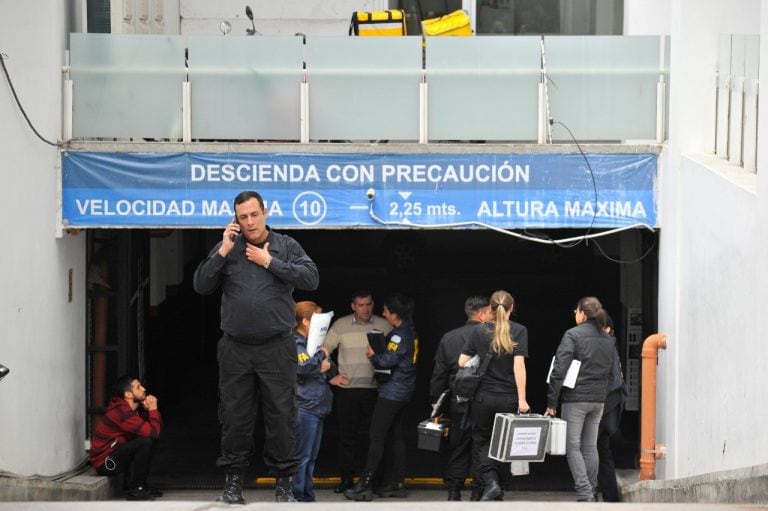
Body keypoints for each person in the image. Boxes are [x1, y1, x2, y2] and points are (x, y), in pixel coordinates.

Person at [193, 190, 320, 504]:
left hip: (276, 347)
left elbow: (311, 279)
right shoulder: (228, 248)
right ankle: (234, 483)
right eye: (242, 217)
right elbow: (201, 284)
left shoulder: (286, 246)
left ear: (265, 211)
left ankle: (284, 486)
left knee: (282, 416)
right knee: (235, 417)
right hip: (236, 348)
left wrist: (270, 261)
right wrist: (222, 251)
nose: (249, 222)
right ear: (235, 218)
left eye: (253, 214)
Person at [344, 292, 418, 501]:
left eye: (385, 310)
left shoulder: (398, 335)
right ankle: (397, 483)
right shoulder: (410, 331)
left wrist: (373, 356)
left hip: (392, 393)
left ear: (394, 314)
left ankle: (364, 485)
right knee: (396, 436)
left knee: (376, 436)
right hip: (405, 391)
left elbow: (387, 361)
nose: (383, 313)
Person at [459, 290, 529, 502]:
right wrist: (522, 399)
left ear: (490, 309)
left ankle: (490, 482)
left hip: (483, 398)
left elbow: (461, 362)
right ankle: (495, 485)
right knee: (502, 443)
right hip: (508, 398)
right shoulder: (519, 330)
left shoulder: (478, 331)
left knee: (482, 441)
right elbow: (519, 367)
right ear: (512, 309)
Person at [545, 296, 615, 503]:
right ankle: (591, 491)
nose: (574, 314)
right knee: (590, 447)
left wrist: (551, 402)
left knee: (573, 446)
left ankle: (585, 494)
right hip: (598, 399)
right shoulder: (607, 338)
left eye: (575, 311)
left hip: (575, 399)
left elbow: (559, 370)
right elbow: (611, 374)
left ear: (582, 314)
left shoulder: (572, 335)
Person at [323, 290, 392, 493]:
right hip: (348, 390)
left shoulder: (384, 325)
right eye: (360, 305)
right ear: (353, 306)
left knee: (374, 437)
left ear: (373, 304)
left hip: (375, 390)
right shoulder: (341, 325)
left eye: (368, 304)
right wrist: (331, 376)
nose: (365, 308)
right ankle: (346, 479)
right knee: (347, 437)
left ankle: (374, 479)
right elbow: (324, 350)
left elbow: (396, 354)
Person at [429, 295, 492, 501]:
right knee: (482, 446)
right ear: (482, 314)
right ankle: (478, 491)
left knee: (459, 446)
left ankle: (453, 492)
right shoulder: (491, 335)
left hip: (458, 399)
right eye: (491, 312)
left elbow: (439, 371)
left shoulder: (449, 337)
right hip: (484, 398)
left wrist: (436, 399)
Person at [292, 301, 349, 502]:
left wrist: (329, 371)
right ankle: (298, 495)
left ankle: (307, 494)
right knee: (302, 456)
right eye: (318, 318)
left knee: (311, 457)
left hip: (317, 407)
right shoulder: (296, 341)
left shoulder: (312, 343)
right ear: (306, 321)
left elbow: (323, 365)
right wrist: (321, 356)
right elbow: (304, 367)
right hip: (305, 407)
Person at [89, 375, 163, 501]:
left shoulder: (133, 411)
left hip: (115, 454)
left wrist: (148, 411)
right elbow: (154, 432)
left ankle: (140, 485)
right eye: (138, 387)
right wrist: (153, 409)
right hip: (105, 463)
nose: (144, 389)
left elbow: (154, 432)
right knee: (144, 442)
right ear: (128, 394)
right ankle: (136, 489)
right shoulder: (122, 412)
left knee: (148, 441)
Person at [596, 313, 628, 502]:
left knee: (592, 448)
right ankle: (610, 495)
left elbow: (613, 381)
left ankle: (592, 493)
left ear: (607, 328)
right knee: (602, 449)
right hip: (607, 405)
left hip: (604, 405)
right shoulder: (610, 345)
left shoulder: (607, 346)